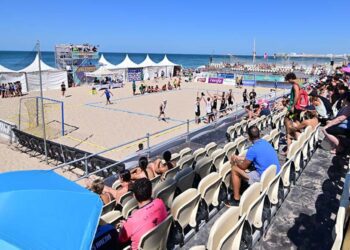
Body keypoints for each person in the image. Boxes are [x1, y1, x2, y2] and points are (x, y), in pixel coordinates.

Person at [226, 126, 280, 206]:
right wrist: (239, 157)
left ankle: (236, 199)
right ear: (259, 134)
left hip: (264, 177)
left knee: (234, 169)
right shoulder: (265, 142)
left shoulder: (253, 149)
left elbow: (243, 167)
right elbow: (253, 157)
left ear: (249, 137)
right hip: (275, 173)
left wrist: (236, 160)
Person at [118, 178, 167, 250]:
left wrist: (122, 227)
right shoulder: (160, 202)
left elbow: (121, 239)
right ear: (151, 191)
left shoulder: (132, 220)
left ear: (134, 195)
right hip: (160, 243)